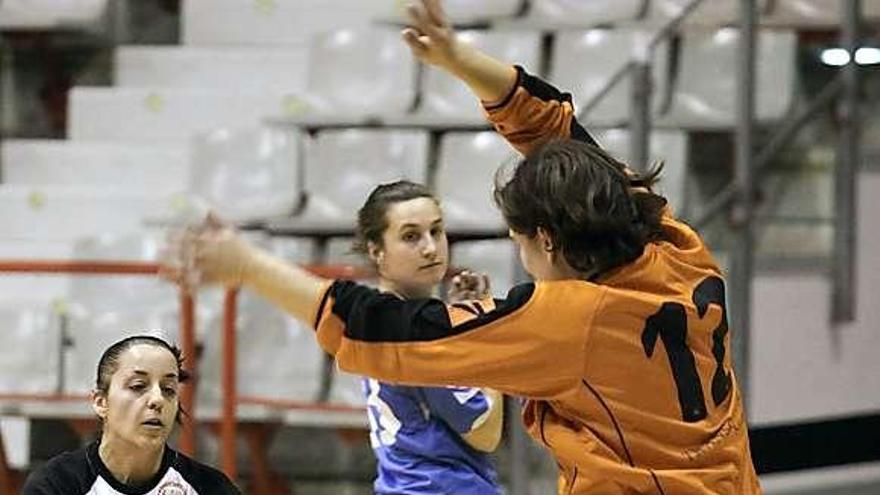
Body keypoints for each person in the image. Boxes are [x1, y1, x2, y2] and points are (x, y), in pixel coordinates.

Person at [161, 1, 763, 493]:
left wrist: (248, 265)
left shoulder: (571, 322)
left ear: (547, 241)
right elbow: (558, 132)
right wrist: (456, 58)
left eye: (520, 241)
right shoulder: (672, 241)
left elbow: (378, 329)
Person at [350, 180, 503, 494]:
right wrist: (485, 335)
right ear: (376, 250)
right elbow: (485, 431)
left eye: (436, 231)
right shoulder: (415, 333)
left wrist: (458, 320)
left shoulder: (379, 316)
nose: (431, 247)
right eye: (410, 236)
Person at [22, 335, 240, 495]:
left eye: (169, 389)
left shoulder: (210, 488)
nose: (157, 399)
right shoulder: (57, 485)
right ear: (100, 402)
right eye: (138, 386)